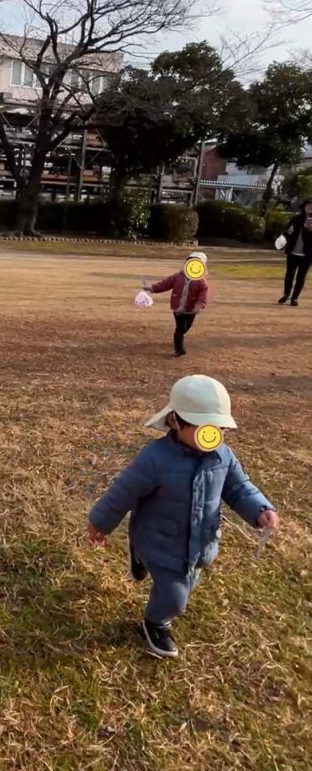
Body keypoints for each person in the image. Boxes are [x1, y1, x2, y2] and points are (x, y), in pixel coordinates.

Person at [87, 375, 278, 660]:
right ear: (175, 421)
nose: (214, 436)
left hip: (200, 545)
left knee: (188, 585)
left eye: (219, 428)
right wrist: (99, 523)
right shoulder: (155, 459)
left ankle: (143, 563)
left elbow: (238, 487)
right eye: (204, 428)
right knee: (175, 599)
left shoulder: (223, 456)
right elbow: (123, 492)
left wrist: (260, 509)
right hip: (159, 542)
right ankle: (156, 622)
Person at [144, 251, 209, 357]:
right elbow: (165, 284)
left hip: (191, 310)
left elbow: (203, 294)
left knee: (186, 327)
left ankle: (180, 337)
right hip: (178, 309)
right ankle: (179, 349)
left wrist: (199, 305)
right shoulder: (177, 277)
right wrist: (152, 288)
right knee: (180, 328)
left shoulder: (201, 281)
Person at [278, 199, 312, 306]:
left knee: (301, 277)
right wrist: (287, 232)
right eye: (308, 205)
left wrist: (309, 230)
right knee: (289, 275)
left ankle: (295, 298)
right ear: (304, 206)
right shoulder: (296, 219)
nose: (310, 207)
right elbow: (287, 232)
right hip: (292, 252)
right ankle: (286, 294)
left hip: (307, 254)